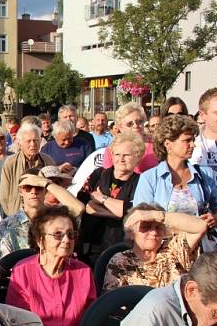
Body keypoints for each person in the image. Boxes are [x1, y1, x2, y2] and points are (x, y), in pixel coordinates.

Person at [6, 206, 95, 326]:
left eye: (71, 234)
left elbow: (91, 320)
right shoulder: (23, 271)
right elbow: (17, 323)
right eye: (58, 235)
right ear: (40, 240)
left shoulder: (84, 271)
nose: (66, 240)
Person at [133, 115, 217, 230]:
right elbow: (140, 216)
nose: (193, 145)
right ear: (168, 144)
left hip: (201, 243)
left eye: (193, 140)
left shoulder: (204, 173)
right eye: (187, 140)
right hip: (163, 244)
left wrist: (216, 218)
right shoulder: (149, 178)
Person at [103, 203, 208, 291]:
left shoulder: (173, 249)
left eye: (158, 227)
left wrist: (159, 215)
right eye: (146, 227)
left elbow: (201, 226)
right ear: (131, 233)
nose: (153, 232)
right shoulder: (121, 261)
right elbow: (114, 302)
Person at [77, 132, 144, 263]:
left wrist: (102, 199)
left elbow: (132, 211)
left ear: (138, 157)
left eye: (126, 155)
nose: (121, 159)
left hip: (120, 245)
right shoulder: (98, 174)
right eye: (117, 154)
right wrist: (118, 212)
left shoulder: (141, 182)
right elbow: (85, 204)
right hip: (90, 243)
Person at [0, 171, 84, 260]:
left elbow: (78, 208)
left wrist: (46, 183)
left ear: (45, 190)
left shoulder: (55, 217)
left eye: (38, 187)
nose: (33, 191)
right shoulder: (8, 224)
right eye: (28, 187)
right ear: (21, 191)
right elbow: (4, 261)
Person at [0, 124, 55, 216]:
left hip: (43, 215)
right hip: (17, 214)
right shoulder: (11, 162)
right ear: (20, 143)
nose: (32, 144)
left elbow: (54, 189)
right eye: (28, 141)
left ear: (40, 141)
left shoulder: (48, 161)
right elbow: (4, 195)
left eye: (36, 140)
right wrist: (13, 215)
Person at [102, 103, 159, 173]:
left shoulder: (157, 144)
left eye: (139, 122)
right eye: (130, 124)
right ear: (120, 127)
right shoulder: (113, 148)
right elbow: (107, 176)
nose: (136, 126)